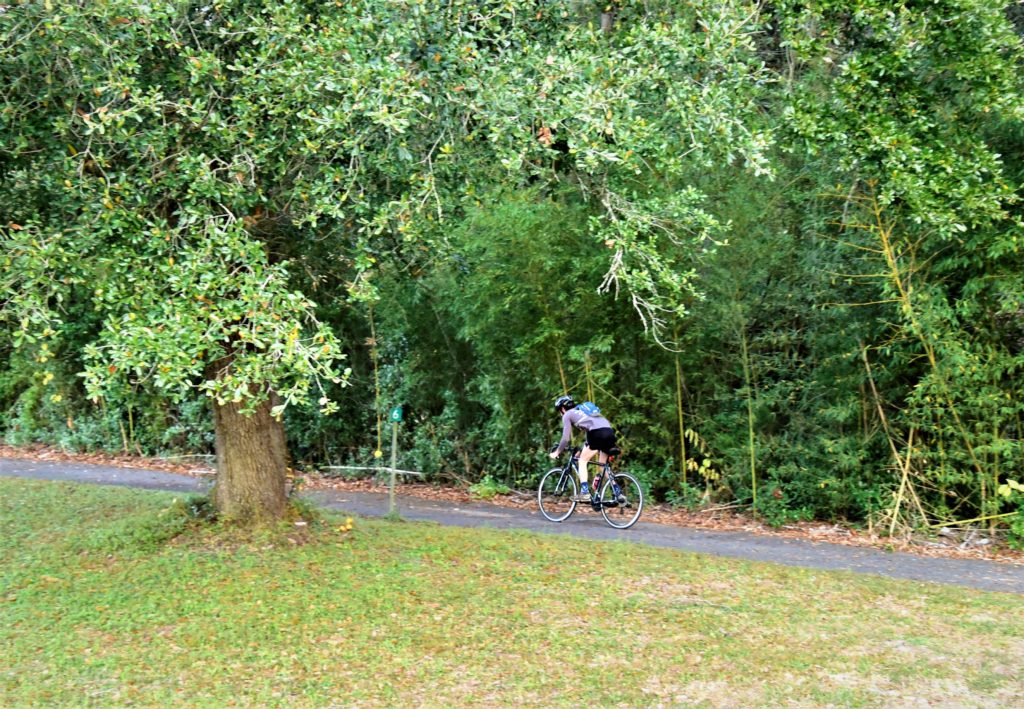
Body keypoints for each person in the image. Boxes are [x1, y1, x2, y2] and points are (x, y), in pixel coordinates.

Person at [549, 394, 618, 500]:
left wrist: (557, 452)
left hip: (597, 434)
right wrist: (581, 450)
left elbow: (565, 438)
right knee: (602, 466)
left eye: (559, 411)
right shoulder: (584, 410)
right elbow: (591, 432)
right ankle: (618, 493)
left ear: (562, 409)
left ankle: (585, 493)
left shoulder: (567, 415)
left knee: (582, 461)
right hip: (609, 433)